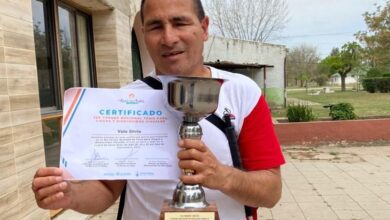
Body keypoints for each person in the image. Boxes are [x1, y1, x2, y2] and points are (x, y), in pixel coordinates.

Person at [31, 0, 285, 219]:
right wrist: (70, 195)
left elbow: (271, 192)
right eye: (155, 26)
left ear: (204, 28)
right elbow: (108, 189)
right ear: (143, 33)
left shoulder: (242, 92)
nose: (168, 38)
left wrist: (222, 176)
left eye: (180, 23)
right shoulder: (126, 102)